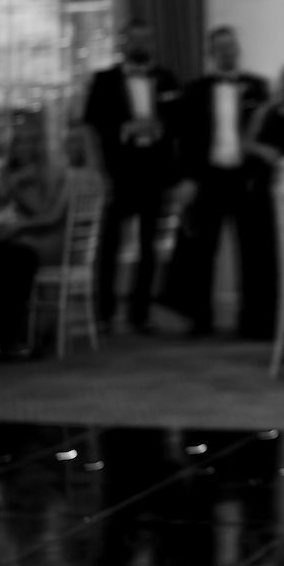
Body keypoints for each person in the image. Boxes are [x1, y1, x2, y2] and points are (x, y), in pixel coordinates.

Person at [167, 25, 274, 339]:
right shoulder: (195, 90)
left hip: (246, 179)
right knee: (201, 252)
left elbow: (267, 132)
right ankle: (200, 319)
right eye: (220, 47)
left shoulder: (258, 87)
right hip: (207, 178)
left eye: (230, 46)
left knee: (253, 252)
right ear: (211, 53)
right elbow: (184, 139)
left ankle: (254, 322)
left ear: (237, 49)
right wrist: (186, 179)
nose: (226, 52)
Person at [82, 19, 180, 334]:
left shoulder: (166, 78)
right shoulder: (104, 80)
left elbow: (179, 122)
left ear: (153, 43)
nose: (140, 45)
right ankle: (103, 314)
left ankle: (141, 314)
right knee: (109, 243)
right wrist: (125, 132)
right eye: (134, 39)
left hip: (155, 172)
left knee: (150, 245)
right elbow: (91, 127)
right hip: (118, 172)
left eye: (146, 39)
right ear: (123, 43)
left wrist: (160, 127)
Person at [0, 126, 104, 360]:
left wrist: (18, 218)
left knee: (8, 254)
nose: (70, 146)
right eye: (68, 141)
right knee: (4, 249)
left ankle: (9, 336)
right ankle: (11, 335)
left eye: (76, 142)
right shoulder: (81, 174)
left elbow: (49, 216)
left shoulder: (70, 175)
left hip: (56, 242)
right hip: (59, 241)